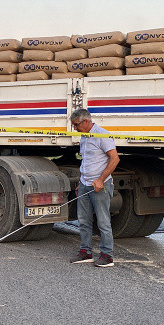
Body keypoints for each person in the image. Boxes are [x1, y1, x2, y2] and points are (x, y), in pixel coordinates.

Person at [69, 109, 120, 267]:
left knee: (103, 221)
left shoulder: (102, 135)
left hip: (100, 186)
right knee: (83, 220)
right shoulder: (84, 137)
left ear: (86, 122)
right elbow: (86, 161)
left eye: (76, 125)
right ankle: (86, 252)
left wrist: (100, 179)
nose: (75, 128)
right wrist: (80, 182)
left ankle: (107, 255)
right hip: (85, 184)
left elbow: (115, 159)